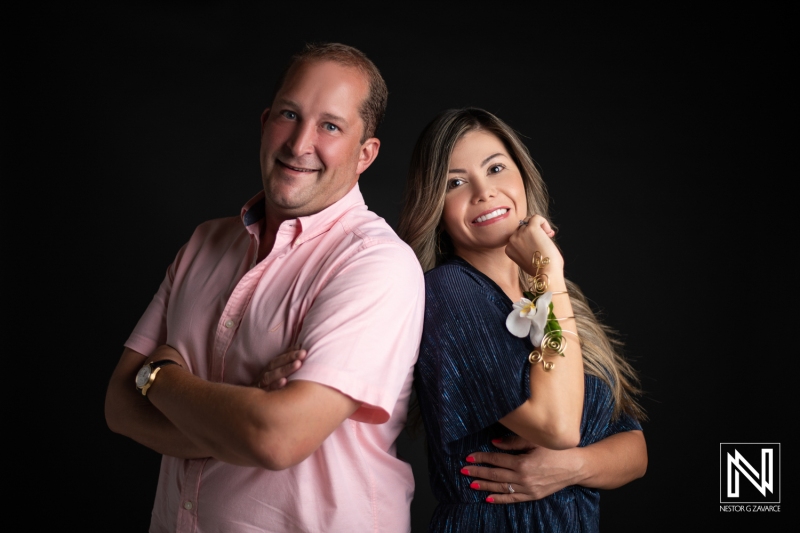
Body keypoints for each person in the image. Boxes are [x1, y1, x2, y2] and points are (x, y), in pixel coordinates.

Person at [104, 43, 425, 532]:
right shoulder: (205, 243)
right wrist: (243, 411)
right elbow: (120, 407)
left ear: (366, 154)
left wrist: (161, 377)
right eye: (289, 114)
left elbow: (277, 438)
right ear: (264, 122)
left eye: (330, 126)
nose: (299, 144)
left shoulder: (376, 265)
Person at [396, 107, 647, 531]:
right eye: (455, 182)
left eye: (495, 168)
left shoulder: (552, 297)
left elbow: (635, 450)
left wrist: (572, 468)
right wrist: (550, 272)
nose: (484, 191)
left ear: (523, 178)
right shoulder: (448, 294)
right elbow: (558, 426)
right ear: (435, 206)